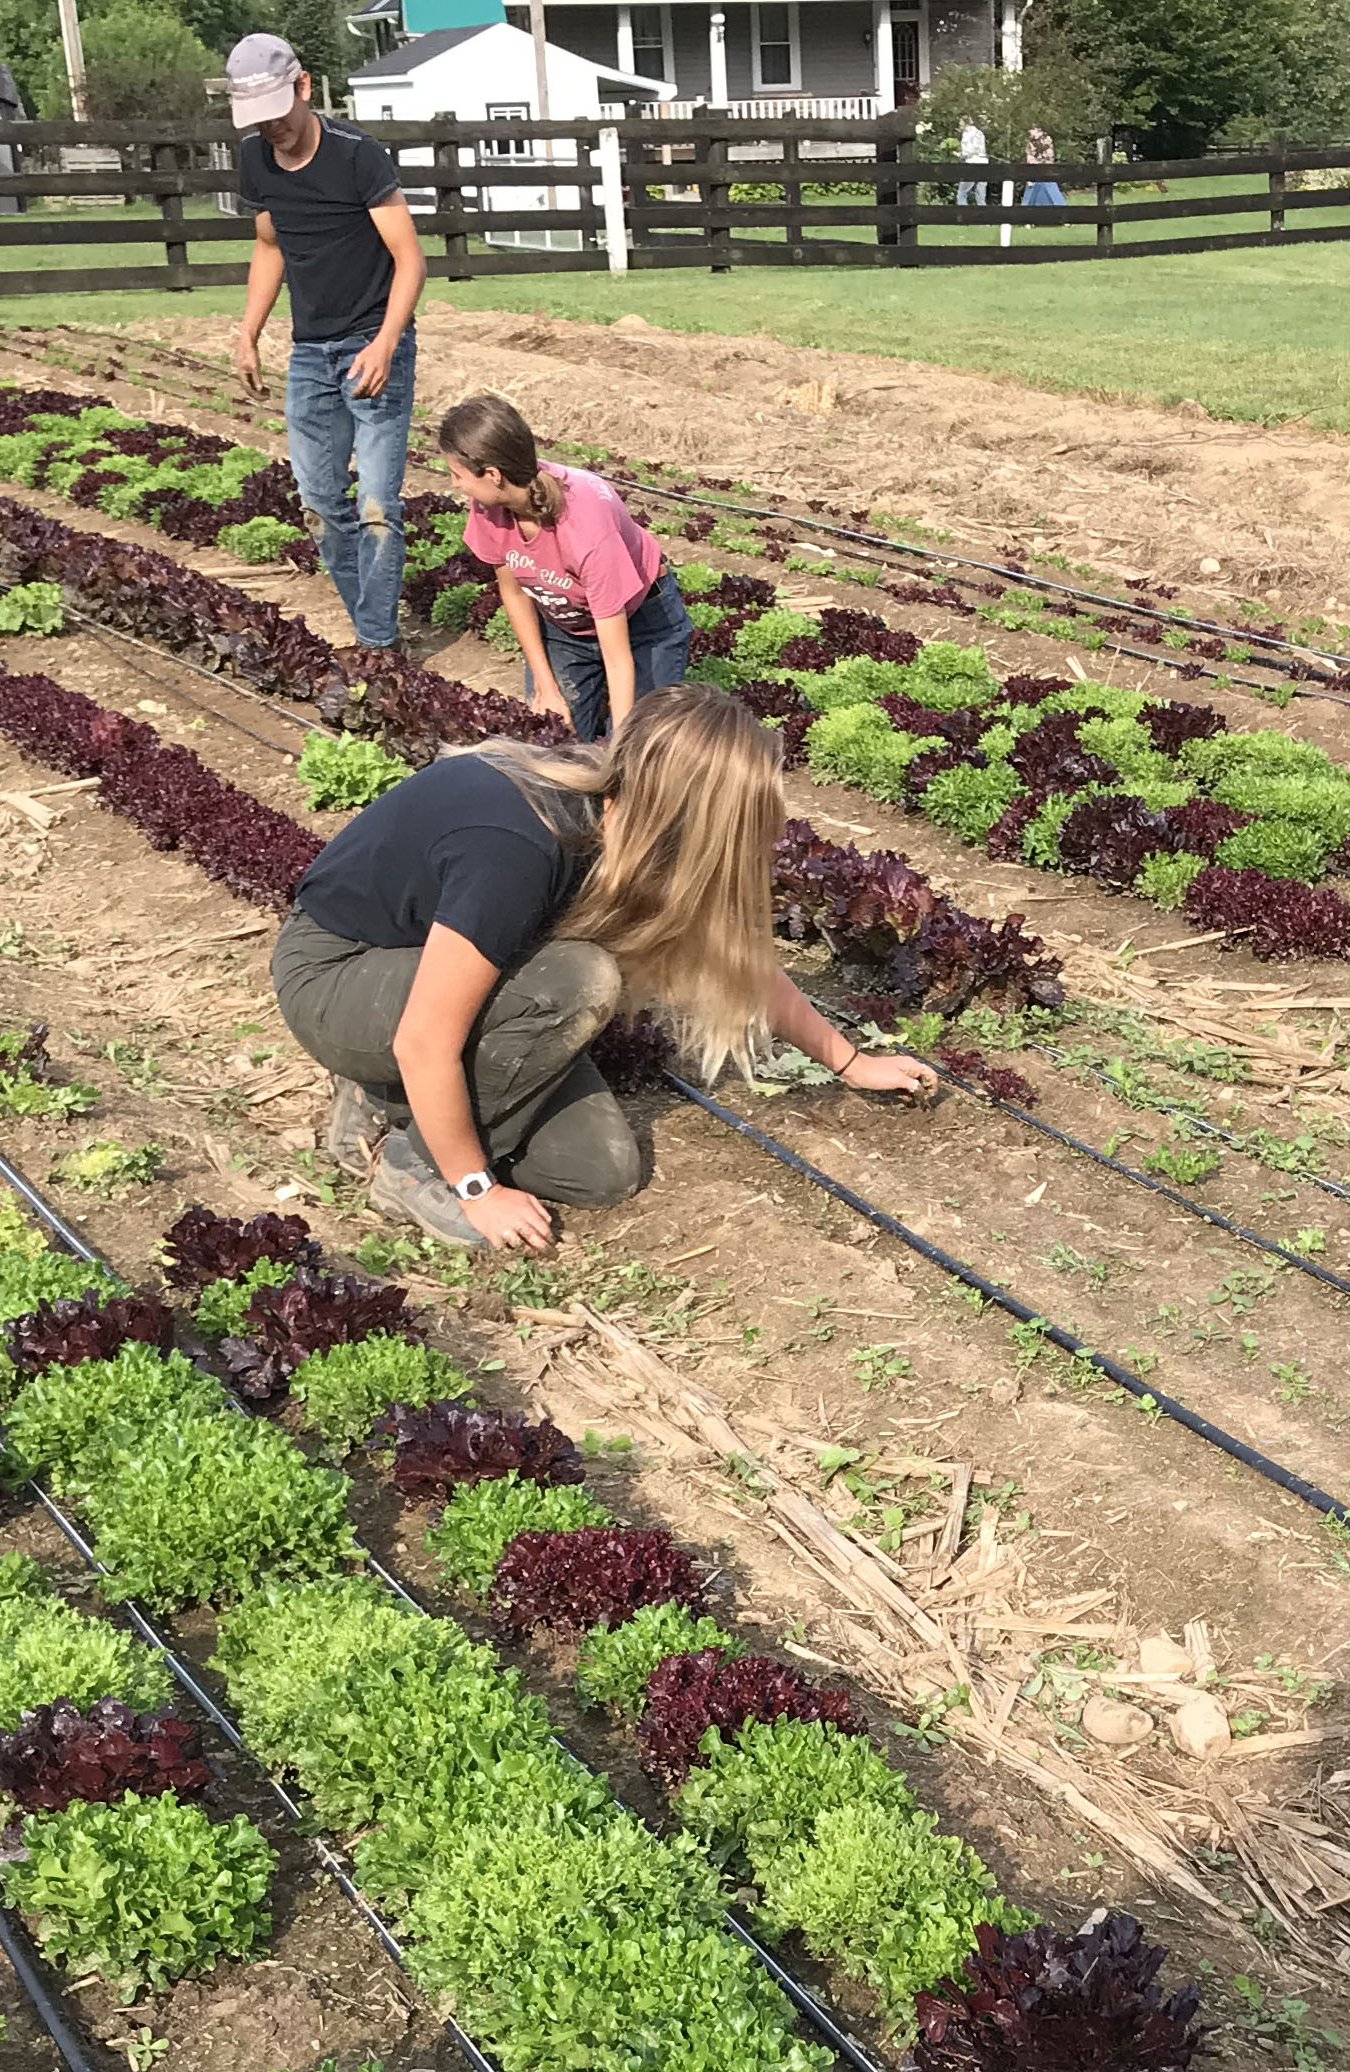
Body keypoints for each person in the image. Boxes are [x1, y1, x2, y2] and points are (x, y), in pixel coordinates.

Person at [272, 684, 934, 1251]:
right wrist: (476, 1189)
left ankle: (384, 1094)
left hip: (423, 998)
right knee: (582, 980)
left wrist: (851, 1062)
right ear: (689, 822)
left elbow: (738, 960)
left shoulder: (631, 823)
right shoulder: (517, 845)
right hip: (338, 974)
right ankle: (413, 1164)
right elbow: (425, 1039)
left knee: (603, 1171)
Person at [224, 31, 426, 651]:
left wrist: (387, 342)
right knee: (318, 504)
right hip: (311, 353)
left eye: (277, 115)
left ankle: (376, 646)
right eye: (256, 120)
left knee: (375, 504)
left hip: (372, 344)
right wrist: (249, 333)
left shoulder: (356, 155)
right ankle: (373, 630)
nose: (270, 131)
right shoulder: (255, 160)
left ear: (304, 88)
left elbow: (410, 259)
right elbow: (269, 246)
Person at [438, 392, 693, 743]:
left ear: (493, 474)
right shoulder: (487, 506)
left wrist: (621, 747)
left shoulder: (586, 530)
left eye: (457, 474)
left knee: (641, 747)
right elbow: (513, 591)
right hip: (566, 628)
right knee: (552, 742)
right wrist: (546, 687)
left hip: (642, 622)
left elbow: (618, 659)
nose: (454, 484)